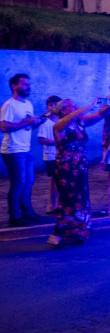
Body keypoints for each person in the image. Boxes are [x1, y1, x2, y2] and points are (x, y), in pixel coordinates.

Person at [47, 97, 110, 248]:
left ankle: (78, 233)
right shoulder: (58, 126)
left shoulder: (80, 122)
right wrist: (90, 105)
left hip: (80, 168)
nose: (74, 106)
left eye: (74, 104)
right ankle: (57, 235)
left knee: (81, 201)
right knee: (69, 201)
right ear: (62, 111)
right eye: (69, 106)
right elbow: (71, 117)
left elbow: (101, 115)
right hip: (66, 169)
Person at [2, 73, 46, 227]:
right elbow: (4, 127)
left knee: (29, 181)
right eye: (25, 84)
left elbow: (27, 127)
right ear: (14, 86)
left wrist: (38, 122)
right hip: (13, 150)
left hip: (25, 149)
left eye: (29, 84)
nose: (29, 87)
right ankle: (15, 217)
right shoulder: (9, 105)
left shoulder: (28, 104)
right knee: (18, 183)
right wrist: (27, 121)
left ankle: (27, 212)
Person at [38, 95, 61, 213]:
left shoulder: (62, 120)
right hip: (51, 155)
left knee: (56, 181)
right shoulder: (45, 122)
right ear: (48, 107)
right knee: (56, 181)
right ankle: (53, 205)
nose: (53, 107)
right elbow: (41, 139)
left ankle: (53, 205)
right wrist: (57, 142)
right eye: (51, 105)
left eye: (56, 104)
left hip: (60, 154)